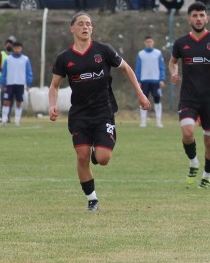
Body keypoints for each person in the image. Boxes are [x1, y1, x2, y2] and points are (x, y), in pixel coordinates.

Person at [49, 12, 151, 211]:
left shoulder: (103, 50)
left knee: (102, 159)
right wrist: (52, 105)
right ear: (72, 29)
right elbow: (54, 85)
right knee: (81, 156)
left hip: (103, 111)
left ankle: (97, 154)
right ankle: (92, 199)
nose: (85, 27)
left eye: (88, 24)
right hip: (79, 114)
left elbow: (127, 68)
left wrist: (140, 93)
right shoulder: (65, 58)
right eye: (81, 24)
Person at [169, 1, 210, 189]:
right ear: (189, 19)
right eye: (195, 16)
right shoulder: (181, 43)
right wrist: (173, 72)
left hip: (209, 97)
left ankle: (207, 173)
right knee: (187, 133)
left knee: (209, 140)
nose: (198, 19)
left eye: (201, 15)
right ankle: (194, 162)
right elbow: (172, 62)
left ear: (207, 18)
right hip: (188, 97)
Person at [0, 41, 33, 126]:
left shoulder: (25, 59)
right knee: (6, 101)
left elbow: (28, 72)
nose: (17, 50)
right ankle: (4, 119)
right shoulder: (8, 59)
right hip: (9, 83)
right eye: (16, 48)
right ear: (13, 49)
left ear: (21, 49)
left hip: (20, 84)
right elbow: (4, 72)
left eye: (19, 48)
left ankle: (17, 120)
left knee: (18, 102)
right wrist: (3, 83)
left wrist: (28, 83)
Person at [135, 35, 165, 127]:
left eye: (150, 42)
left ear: (153, 42)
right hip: (144, 81)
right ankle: (143, 122)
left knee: (157, 100)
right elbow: (138, 68)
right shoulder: (141, 54)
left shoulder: (158, 53)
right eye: (147, 42)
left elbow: (162, 67)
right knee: (143, 101)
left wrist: (162, 79)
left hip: (156, 81)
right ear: (145, 43)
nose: (149, 43)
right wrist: (138, 80)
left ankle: (158, 122)